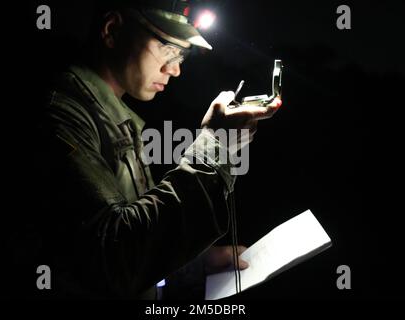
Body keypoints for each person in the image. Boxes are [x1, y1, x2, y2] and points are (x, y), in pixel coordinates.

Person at [27, 0, 282, 299]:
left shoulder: (116, 120)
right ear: (112, 30)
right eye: (167, 49)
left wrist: (193, 266)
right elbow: (111, 259)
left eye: (182, 56)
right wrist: (215, 149)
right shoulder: (61, 116)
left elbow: (137, 242)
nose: (174, 69)